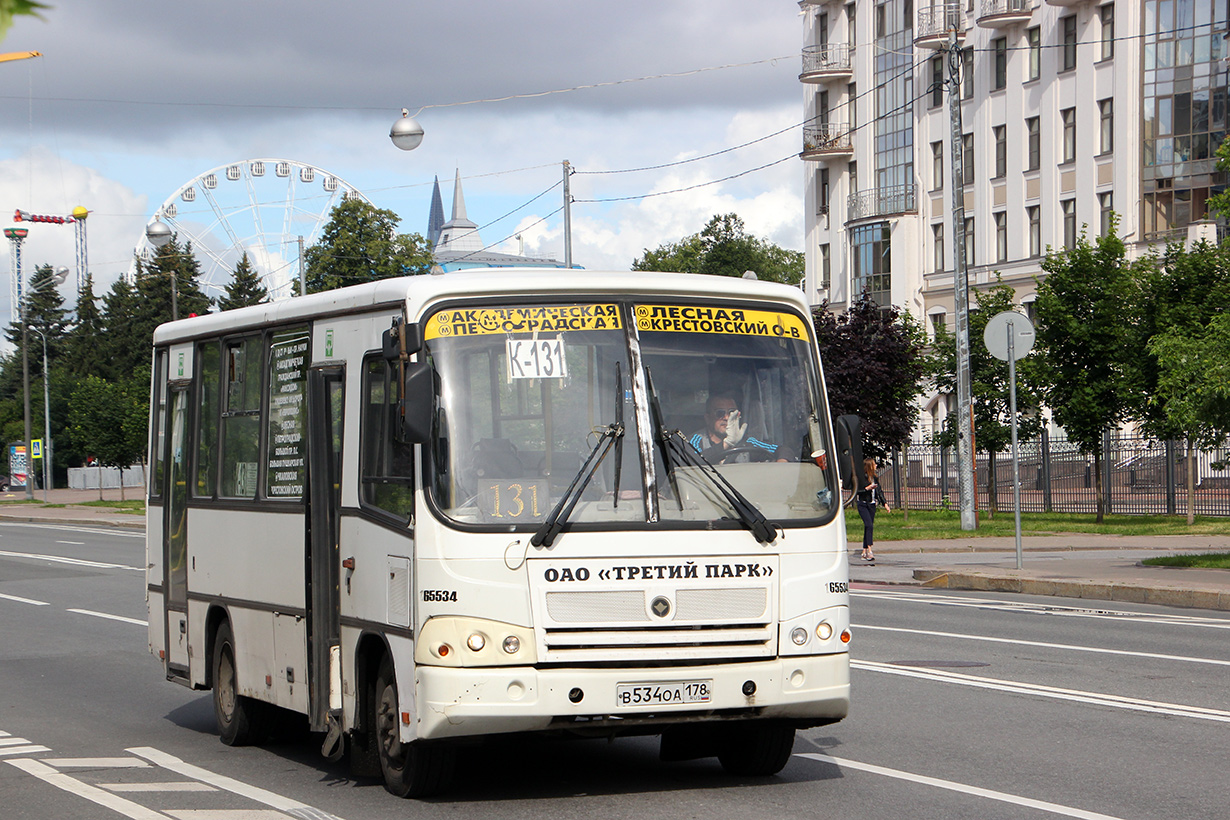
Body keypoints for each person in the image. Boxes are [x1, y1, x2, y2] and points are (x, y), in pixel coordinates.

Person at [688, 394, 781, 462]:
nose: (727, 417)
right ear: (708, 418)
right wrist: (727, 443)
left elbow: (781, 449)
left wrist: (781, 462)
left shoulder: (746, 442)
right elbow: (691, 461)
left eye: (732, 413)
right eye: (720, 413)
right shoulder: (695, 440)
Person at [856, 458, 890, 563]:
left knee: (868, 527)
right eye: (874, 464)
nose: (876, 466)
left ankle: (864, 550)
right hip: (863, 504)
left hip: (872, 505)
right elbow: (857, 491)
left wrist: (885, 503)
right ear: (869, 466)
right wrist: (867, 488)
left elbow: (879, 491)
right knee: (869, 525)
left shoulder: (875, 477)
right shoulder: (862, 478)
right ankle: (870, 550)